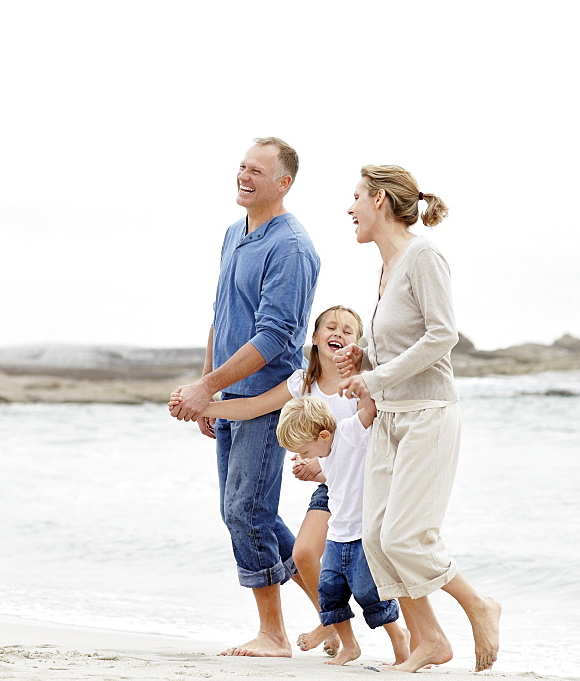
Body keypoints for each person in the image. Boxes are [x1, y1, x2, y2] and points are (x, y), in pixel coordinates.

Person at [335, 165, 501, 672]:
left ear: (380, 200)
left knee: (407, 538)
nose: (350, 208)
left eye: (356, 197)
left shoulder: (423, 255)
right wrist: (363, 358)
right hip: (390, 419)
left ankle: (479, 605)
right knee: (376, 539)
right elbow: (401, 342)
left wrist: (376, 380)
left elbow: (442, 335)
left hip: (428, 414)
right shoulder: (385, 268)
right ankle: (429, 640)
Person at [168, 137, 320, 658]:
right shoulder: (234, 233)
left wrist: (209, 390)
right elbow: (221, 314)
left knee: (247, 512)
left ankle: (275, 635)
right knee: (243, 512)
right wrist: (207, 385)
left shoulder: (293, 247)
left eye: (258, 170)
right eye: (242, 166)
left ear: (284, 183)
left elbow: (276, 336)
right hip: (228, 394)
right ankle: (333, 610)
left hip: (267, 399)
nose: (244, 175)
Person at [170, 305, 364, 657]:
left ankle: (404, 640)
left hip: (364, 488)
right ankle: (335, 624)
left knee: (378, 564)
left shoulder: (361, 386)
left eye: (348, 331)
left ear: (358, 343)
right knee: (304, 552)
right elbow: (252, 407)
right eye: (331, 327)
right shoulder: (302, 383)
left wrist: (320, 467)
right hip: (330, 490)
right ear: (315, 338)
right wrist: (202, 406)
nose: (339, 334)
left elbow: (370, 438)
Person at [276, 395, 411, 667]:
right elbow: (337, 476)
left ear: (324, 435)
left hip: (363, 534)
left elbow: (369, 411)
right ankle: (349, 646)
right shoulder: (324, 453)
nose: (304, 456)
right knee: (328, 594)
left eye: (304, 450)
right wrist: (312, 471)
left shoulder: (349, 432)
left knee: (367, 592)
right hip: (336, 535)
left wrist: (360, 387)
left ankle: (400, 640)